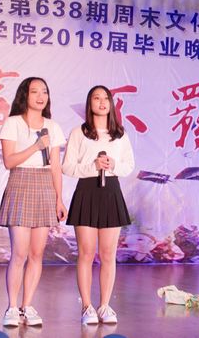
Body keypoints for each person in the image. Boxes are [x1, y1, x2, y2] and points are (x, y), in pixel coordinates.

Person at [0, 77, 67, 327]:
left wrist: (59, 199)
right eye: (35, 91)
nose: (40, 96)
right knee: (20, 252)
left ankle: (27, 305)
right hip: (21, 182)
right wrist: (36, 146)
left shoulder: (52, 127)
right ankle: (12, 307)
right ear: (24, 95)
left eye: (44, 92)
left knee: (37, 253)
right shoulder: (13, 123)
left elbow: (56, 166)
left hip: (45, 185)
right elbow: (9, 161)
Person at [62, 86, 134, 325]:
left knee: (108, 253)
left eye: (106, 98)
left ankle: (104, 305)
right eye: (96, 98)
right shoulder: (78, 133)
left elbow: (128, 166)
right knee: (86, 252)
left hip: (111, 192)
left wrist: (112, 164)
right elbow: (67, 167)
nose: (102, 102)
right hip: (87, 191)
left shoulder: (120, 134)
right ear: (89, 103)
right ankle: (87, 306)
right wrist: (92, 166)